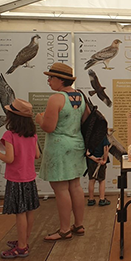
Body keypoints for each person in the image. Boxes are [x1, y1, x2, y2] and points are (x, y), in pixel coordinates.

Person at [36, 63, 90, 241]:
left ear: (60, 79)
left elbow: (49, 127)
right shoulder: (80, 96)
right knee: (75, 186)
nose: (48, 80)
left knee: (60, 189)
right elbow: (85, 121)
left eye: (51, 77)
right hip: (76, 144)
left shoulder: (56, 98)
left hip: (59, 146)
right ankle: (79, 225)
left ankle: (65, 229)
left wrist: (40, 119)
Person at [0, 99, 41, 258]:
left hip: (16, 179)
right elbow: (37, 155)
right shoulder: (32, 133)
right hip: (30, 177)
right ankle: (24, 240)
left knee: (20, 212)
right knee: (29, 210)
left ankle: (21, 247)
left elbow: (10, 159)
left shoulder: (9, 135)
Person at [86, 136, 111, 206]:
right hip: (101, 160)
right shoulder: (102, 136)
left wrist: (93, 158)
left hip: (91, 161)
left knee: (91, 179)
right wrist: (104, 160)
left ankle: (91, 199)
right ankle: (102, 199)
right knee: (101, 180)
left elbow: (87, 152)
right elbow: (106, 148)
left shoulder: (89, 136)